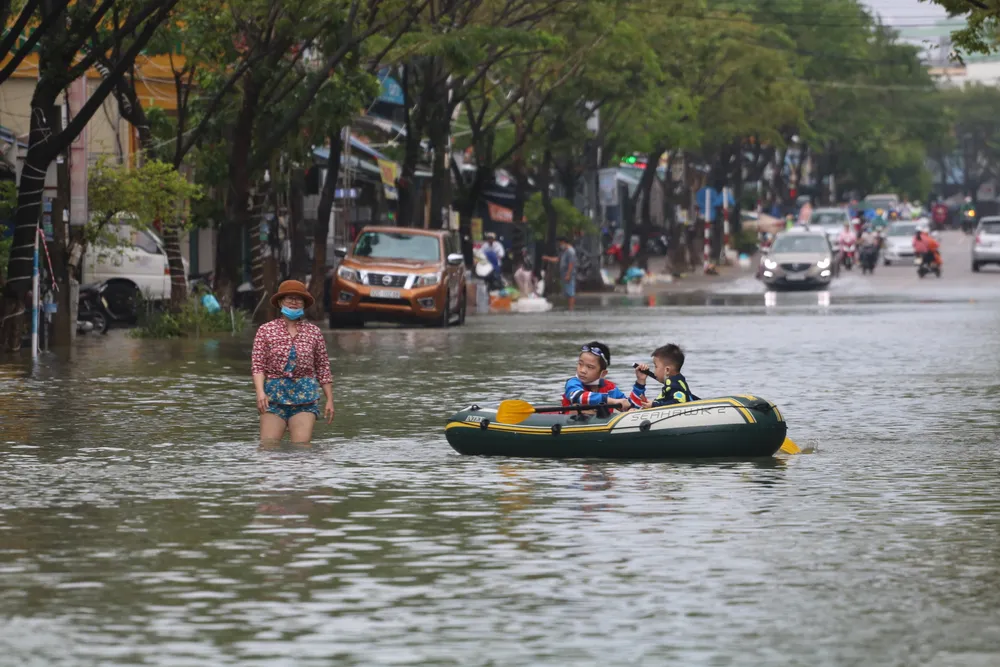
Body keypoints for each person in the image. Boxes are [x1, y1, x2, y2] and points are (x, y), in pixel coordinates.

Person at [252, 280, 334, 445]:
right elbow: (258, 365)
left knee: (301, 450)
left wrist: (330, 399)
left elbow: (323, 367)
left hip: (305, 397)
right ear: (281, 301)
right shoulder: (265, 330)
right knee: (268, 448)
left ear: (304, 304)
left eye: (299, 299)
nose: (294, 302)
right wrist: (260, 392)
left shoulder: (314, 332)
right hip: (274, 397)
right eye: (290, 298)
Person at [563, 341, 642, 412]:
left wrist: (640, 382)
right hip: (570, 422)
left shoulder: (611, 389)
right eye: (580, 364)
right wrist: (612, 401)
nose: (582, 370)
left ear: (603, 373)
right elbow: (577, 396)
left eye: (590, 367)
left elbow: (630, 404)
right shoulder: (572, 383)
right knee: (577, 408)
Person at [634, 343, 700, 408]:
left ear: (667, 370)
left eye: (656, 366)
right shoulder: (678, 380)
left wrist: (653, 405)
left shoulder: (674, 385)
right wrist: (651, 403)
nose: (654, 371)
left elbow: (678, 402)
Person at [543, 236, 577, 310]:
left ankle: (571, 309)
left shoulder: (570, 251)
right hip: (564, 274)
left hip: (569, 274)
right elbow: (557, 259)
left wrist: (568, 274)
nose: (559, 245)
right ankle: (570, 308)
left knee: (570, 292)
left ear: (563, 242)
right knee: (567, 292)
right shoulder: (564, 251)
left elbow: (571, 263)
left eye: (559, 243)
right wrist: (547, 258)